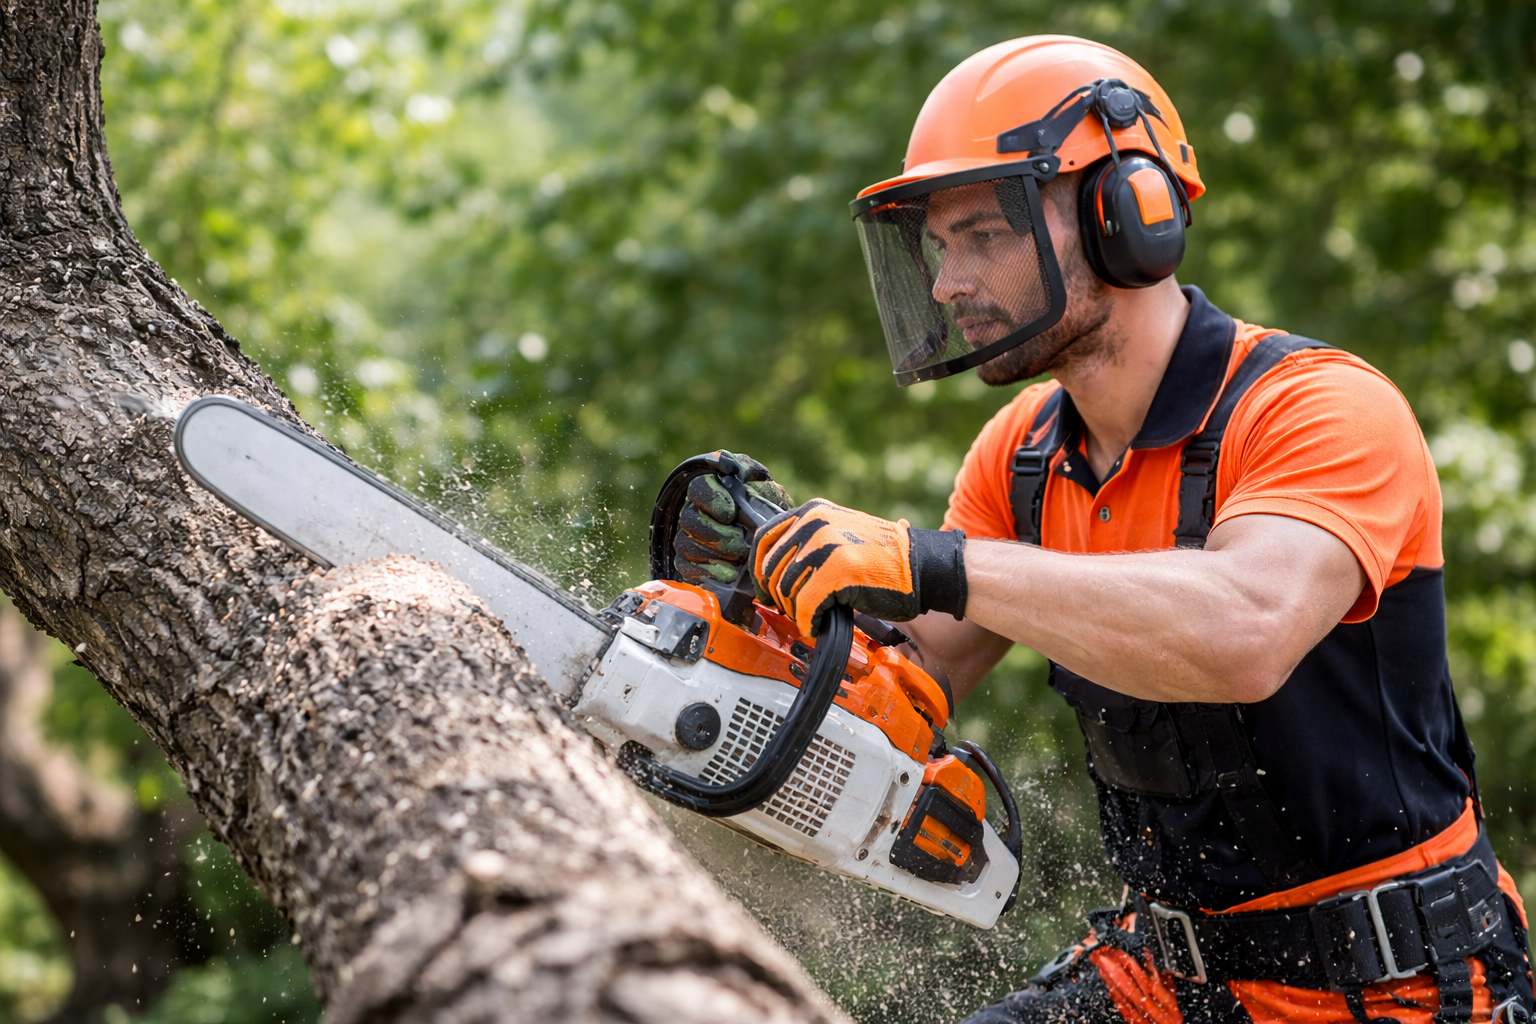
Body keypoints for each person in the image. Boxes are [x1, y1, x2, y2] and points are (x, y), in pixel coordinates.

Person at [671, 34, 1533, 1024]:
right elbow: (911, 673)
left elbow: (1244, 631)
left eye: (982, 236)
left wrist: (933, 561)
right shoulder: (1023, 455)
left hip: (1393, 988)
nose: (949, 284)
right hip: (1162, 974)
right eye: (941, 247)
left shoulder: (1317, 408)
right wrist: (756, 636)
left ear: (1127, 213)